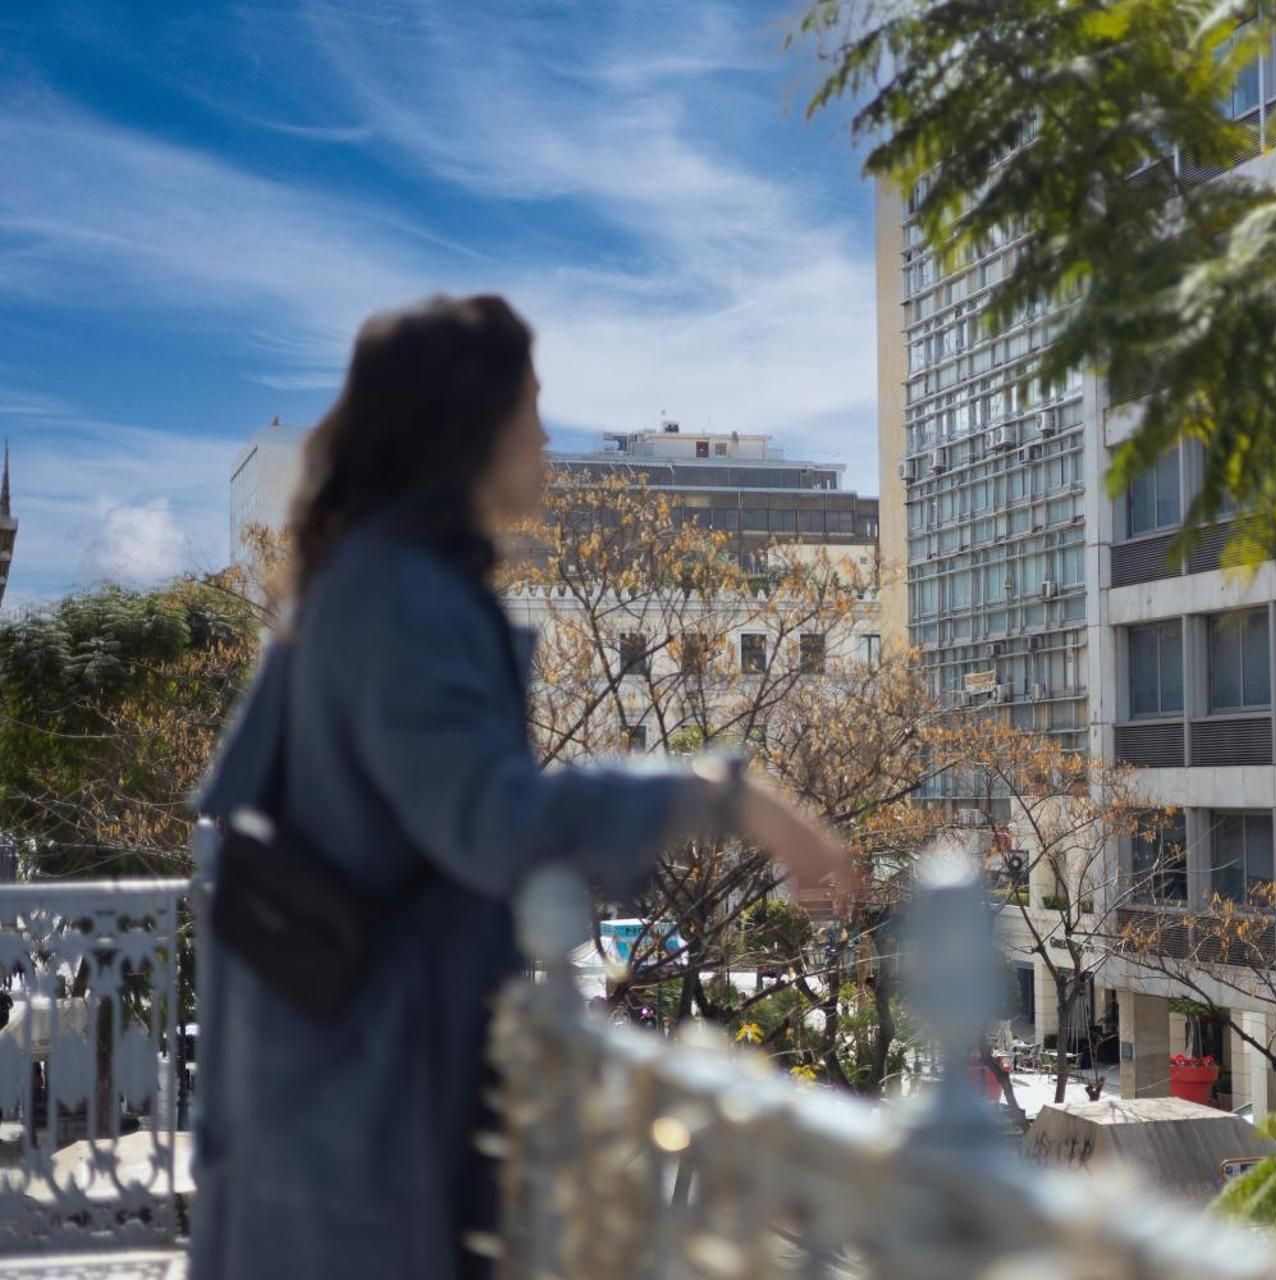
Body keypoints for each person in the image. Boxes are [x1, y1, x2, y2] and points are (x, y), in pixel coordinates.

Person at [189, 295, 855, 1280]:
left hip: (342, 1096)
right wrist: (725, 791)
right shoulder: (401, 594)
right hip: (358, 1126)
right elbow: (493, 821)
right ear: (472, 421)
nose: (546, 433)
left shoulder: (373, 579)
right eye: (532, 405)